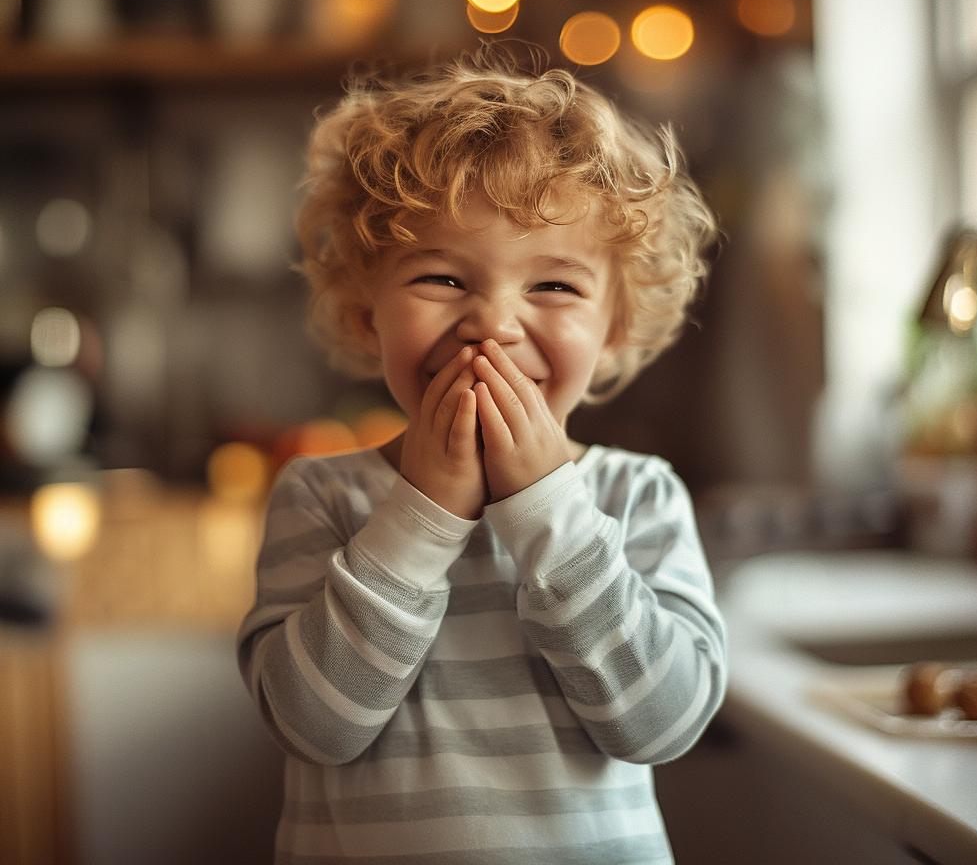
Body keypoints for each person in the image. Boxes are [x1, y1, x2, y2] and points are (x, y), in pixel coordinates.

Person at [237, 45, 727, 864]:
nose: (494, 323)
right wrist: (421, 516)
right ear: (367, 315)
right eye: (442, 279)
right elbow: (310, 726)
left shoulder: (640, 496)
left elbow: (664, 725)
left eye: (555, 286)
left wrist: (548, 512)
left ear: (613, 332)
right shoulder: (320, 497)